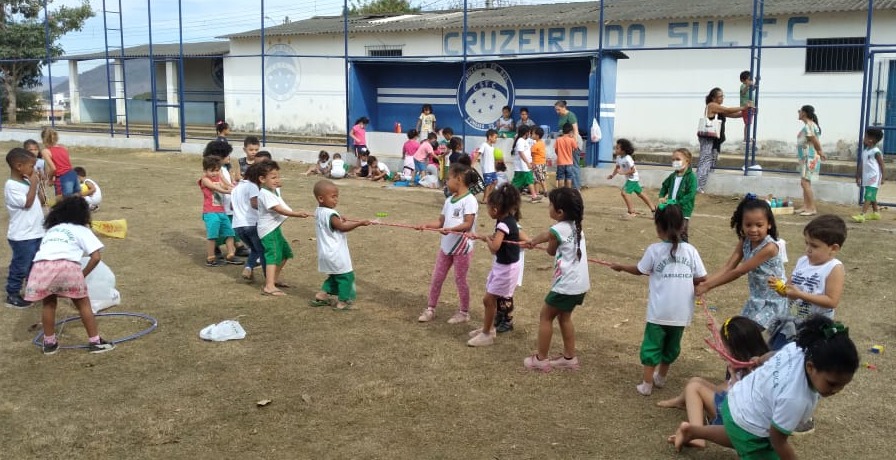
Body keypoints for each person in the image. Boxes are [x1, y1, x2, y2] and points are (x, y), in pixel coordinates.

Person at [671, 316, 858, 458]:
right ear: (811, 367)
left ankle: (692, 431)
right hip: (746, 419)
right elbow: (777, 440)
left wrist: (760, 360)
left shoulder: (798, 349)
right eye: (832, 383)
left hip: (735, 401)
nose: (836, 390)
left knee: (738, 432)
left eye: (843, 385)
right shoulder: (795, 398)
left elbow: (774, 354)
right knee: (750, 439)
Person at [610, 203, 707, 395]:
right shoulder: (691, 251)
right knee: (671, 347)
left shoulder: (654, 250)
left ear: (658, 227)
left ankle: (647, 385)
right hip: (681, 313)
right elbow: (702, 277)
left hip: (659, 312)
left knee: (652, 346)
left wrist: (621, 266)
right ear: (682, 226)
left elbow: (640, 270)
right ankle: (660, 378)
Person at [658, 316, 769, 449]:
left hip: (736, 421)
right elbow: (724, 352)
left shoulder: (751, 372)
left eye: (725, 345)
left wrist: (733, 376)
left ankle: (697, 437)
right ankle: (681, 401)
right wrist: (715, 331)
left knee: (695, 387)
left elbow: (739, 398)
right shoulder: (756, 361)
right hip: (742, 415)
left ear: (736, 348)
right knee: (696, 380)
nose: (722, 349)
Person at [24, 196, 115, 354]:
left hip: (40, 267)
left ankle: (49, 343)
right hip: (67, 266)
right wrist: (82, 274)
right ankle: (95, 342)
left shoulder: (52, 229)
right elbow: (96, 257)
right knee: (83, 304)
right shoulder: (81, 229)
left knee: (49, 303)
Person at [696, 195, 787, 333]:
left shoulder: (769, 248)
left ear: (769, 224)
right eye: (748, 225)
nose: (753, 229)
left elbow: (739, 271)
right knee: (739, 334)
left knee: (744, 334)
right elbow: (728, 267)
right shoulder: (745, 241)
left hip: (773, 302)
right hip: (756, 300)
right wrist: (704, 282)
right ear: (742, 224)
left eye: (759, 225)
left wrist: (708, 286)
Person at [522, 188, 589, 371]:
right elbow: (549, 243)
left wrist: (533, 242)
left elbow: (548, 241)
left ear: (560, 212)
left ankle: (541, 359)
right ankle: (569, 358)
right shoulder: (576, 226)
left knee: (546, 316)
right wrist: (540, 241)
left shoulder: (559, 228)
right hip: (580, 285)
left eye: (551, 204)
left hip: (566, 286)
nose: (549, 207)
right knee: (564, 317)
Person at [416, 163, 479, 324]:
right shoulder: (449, 200)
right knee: (437, 277)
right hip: (446, 246)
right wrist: (426, 225)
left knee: (460, 279)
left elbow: (467, 224)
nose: (446, 182)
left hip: (462, 248)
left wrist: (450, 229)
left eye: (449, 178)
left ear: (458, 179)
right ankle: (430, 308)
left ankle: (464, 312)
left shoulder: (470, 200)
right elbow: (440, 221)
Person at [467, 184, 525, 347]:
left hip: (506, 269)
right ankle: (488, 328)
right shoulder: (507, 220)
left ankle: (488, 333)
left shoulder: (503, 224)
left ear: (495, 209)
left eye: (488, 207)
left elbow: (494, 248)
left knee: (488, 299)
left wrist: (487, 240)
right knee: (489, 299)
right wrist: (485, 236)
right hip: (503, 266)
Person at [308, 180, 371, 310]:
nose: (336, 200)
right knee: (346, 276)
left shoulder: (319, 211)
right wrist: (360, 223)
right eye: (333, 197)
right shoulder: (331, 214)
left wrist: (338, 218)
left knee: (335, 275)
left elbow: (333, 222)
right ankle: (343, 301)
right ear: (321, 198)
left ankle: (322, 294)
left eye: (337, 196)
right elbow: (341, 227)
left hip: (325, 253)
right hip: (335, 253)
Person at [254, 161, 310, 296]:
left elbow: (278, 187)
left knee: (284, 254)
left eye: (278, 177)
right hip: (268, 231)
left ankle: (273, 280)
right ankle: (269, 286)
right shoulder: (264, 194)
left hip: (274, 229)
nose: (277, 180)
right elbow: (278, 209)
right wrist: (297, 214)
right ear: (262, 179)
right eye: (273, 177)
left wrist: (276, 182)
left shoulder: (271, 190)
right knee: (272, 256)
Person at [5, 148, 45, 308]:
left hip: (36, 231)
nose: (33, 170)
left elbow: (40, 200)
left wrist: (38, 183)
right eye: (31, 166)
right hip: (22, 235)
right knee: (20, 266)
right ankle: (12, 294)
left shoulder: (27, 181)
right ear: (19, 166)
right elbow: (27, 203)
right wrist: (34, 183)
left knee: (34, 264)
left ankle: (32, 289)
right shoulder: (11, 185)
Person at [696, 88, 749, 193]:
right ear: (713, 98)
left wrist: (746, 112)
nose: (722, 98)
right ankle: (698, 186)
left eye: (722, 96)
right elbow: (728, 110)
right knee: (705, 160)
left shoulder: (719, 109)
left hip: (714, 138)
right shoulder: (712, 105)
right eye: (720, 96)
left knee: (712, 160)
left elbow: (733, 115)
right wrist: (744, 107)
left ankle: (703, 184)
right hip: (708, 138)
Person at [198, 156, 240, 267]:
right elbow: (215, 188)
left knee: (229, 232)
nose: (214, 173)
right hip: (210, 212)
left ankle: (231, 254)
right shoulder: (204, 180)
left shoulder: (219, 178)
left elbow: (227, 186)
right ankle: (210, 258)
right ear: (205, 171)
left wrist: (232, 187)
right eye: (211, 171)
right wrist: (228, 192)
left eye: (217, 170)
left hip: (221, 211)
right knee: (212, 235)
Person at [231, 162, 266, 281]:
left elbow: (231, 206)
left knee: (255, 249)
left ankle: (248, 268)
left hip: (237, 226)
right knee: (262, 250)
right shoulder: (252, 186)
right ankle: (269, 278)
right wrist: (269, 208)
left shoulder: (236, 188)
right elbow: (254, 203)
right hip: (250, 224)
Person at [607, 138, 655, 217]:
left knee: (624, 193)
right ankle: (654, 209)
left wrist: (623, 173)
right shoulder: (618, 158)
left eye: (617, 148)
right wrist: (612, 175)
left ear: (623, 150)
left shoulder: (628, 158)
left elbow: (633, 170)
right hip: (629, 178)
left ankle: (631, 212)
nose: (615, 149)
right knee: (640, 194)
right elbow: (617, 167)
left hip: (633, 178)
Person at [658, 148, 698, 242]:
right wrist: (661, 196)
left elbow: (690, 194)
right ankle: (669, 252)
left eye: (678, 159)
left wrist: (678, 203)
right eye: (673, 160)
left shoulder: (691, 177)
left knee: (681, 233)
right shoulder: (673, 176)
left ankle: (684, 253)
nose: (675, 162)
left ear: (687, 161)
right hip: (671, 209)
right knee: (669, 232)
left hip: (683, 211)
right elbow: (664, 185)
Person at [796, 105, 825, 216]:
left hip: (809, 157)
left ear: (804, 113)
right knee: (804, 182)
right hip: (805, 157)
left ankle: (811, 208)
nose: (798, 112)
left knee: (805, 182)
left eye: (800, 111)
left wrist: (820, 151)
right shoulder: (810, 125)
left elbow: (814, 139)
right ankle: (806, 205)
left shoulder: (809, 125)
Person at [852, 127, 885, 223]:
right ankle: (876, 213)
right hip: (867, 177)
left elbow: (882, 165)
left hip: (874, 177)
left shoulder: (876, 152)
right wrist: (858, 176)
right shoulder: (865, 151)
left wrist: (882, 177)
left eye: (865, 136)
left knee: (868, 196)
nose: (863, 138)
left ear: (871, 139)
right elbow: (862, 164)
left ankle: (862, 215)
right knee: (872, 196)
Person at [40, 127, 78, 198]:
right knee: (73, 201)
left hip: (62, 178)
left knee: (61, 203)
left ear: (43, 139)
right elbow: (67, 165)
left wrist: (50, 179)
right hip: (72, 175)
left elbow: (53, 169)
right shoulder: (64, 148)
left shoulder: (45, 151)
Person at [511, 125, 542, 203]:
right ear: (526, 133)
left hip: (524, 166)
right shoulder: (520, 141)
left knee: (529, 180)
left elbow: (526, 153)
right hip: (522, 166)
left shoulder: (523, 141)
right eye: (529, 132)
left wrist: (531, 162)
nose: (530, 133)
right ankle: (506, 194)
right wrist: (527, 163)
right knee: (517, 183)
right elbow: (521, 153)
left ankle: (534, 196)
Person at [472, 129, 499, 203]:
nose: (496, 139)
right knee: (488, 184)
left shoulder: (492, 147)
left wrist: (495, 167)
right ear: (490, 137)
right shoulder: (484, 145)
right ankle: (485, 199)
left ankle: (488, 196)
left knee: (495, 182)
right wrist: (472, 164)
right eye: (495, 137)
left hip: (492, 169)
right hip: (487, 169)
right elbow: (478, 154)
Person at [554, 123, 578, 189]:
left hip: (560, 162)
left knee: (560, 177)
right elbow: (576, 148)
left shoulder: (558, 139)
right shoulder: (571, 140)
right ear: (570, 131)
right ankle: (568, 192)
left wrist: (559, 155)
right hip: (569, 162)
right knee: (569, 178)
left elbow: (556, 150)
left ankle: (560, 193)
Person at [739, 71, 756, 147]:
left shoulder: (749, 86)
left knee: (749, 123)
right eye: (748, 79)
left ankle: (748, 137)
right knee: (747, 123)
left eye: (750, 79)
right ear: (743, 80)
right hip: (745, 107)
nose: (749, 81)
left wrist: (757, 81)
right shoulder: (743, 86)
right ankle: (746, 138)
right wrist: (747, 86)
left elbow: (754, 88)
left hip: (751, 107)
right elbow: (743, 93)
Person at [530, 127, 548, 196]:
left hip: (537, 163)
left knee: (540, 178)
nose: (532, 135)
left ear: (537, 136)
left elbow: (531, 154)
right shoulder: (541, 143)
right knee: (537, 178)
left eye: (533, 134)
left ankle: (545, 190)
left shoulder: (535, 145)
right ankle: (537, 192)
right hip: (542, 162)